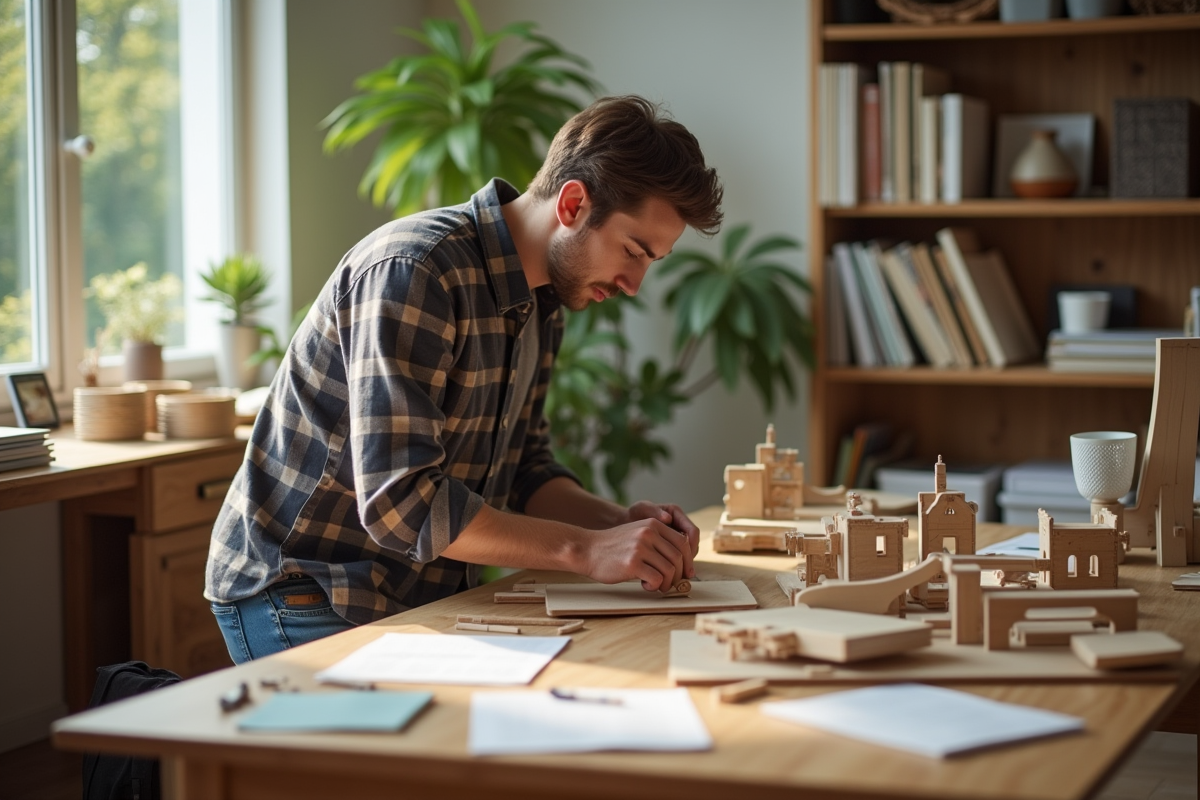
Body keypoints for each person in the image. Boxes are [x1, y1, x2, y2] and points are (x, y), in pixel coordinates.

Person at [205, 95, 724, 664]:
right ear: (573, 204)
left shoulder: (541, 301)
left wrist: (619, 525)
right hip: (304, 589)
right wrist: (587, 550)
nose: (633, 283)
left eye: (652, 261)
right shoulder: (414, 270)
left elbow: (525, 468)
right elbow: (401, 502)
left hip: (408, 597)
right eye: (633, 250)